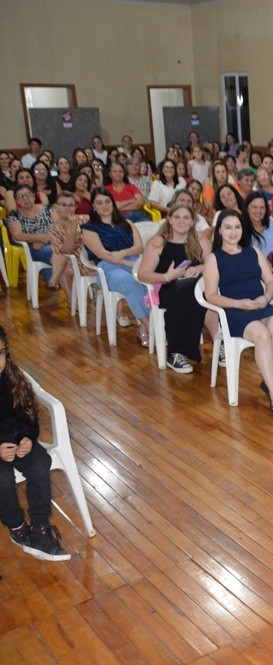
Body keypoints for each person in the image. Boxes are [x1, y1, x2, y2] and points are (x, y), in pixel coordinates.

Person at [203, 210, 273, 418]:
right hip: (234, 311)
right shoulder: (214, 259)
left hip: (260, 305)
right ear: (220, 231)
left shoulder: (254, 252)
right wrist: (238, 303)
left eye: (237, 227)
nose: (233, 232)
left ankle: (268, 381)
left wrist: (266, 298)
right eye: (228, 227)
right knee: (262, 334)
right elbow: (211, 295)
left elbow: (271, 281)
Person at [0, 326, 71, 562]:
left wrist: (28, 439)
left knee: (41, 463)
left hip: (17, 441)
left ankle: (40, 527)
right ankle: (18, 527)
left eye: (0, 353)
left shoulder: (12, 379)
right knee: (2, 478)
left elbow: (29, 414)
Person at [137, 203, 215, 373]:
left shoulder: (200, 240)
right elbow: (142, 274)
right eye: (177, 217)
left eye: (186, 217)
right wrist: (167, 277)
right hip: (166, 288)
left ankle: (217, 343)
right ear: (169, 220)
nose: (181, 221)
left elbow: (211, 266)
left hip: (194, 288)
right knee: (189, 294)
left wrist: (199, 268)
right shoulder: (158, 242)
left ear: (192, 221)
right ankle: (175, 351)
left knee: (206, 294)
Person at [81, 188, 151, 345]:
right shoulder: (89, 228)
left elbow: (139, 247)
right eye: (99, 203)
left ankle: (142, 329)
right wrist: (127, 262)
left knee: (152, 283)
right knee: (132, 283)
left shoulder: (127, 223)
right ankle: (150, 326)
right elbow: (104, 255)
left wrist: (124, 253)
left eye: (107, 201)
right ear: (93, 206)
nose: (104, 206)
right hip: (108, 268)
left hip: (132, 261)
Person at [5, 184, 55, 285]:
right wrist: (39, 238)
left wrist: (47, 239)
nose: (25, 198)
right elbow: (17, 235)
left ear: (33, 196)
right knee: (51, 251)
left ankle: (53, 281)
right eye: (20, 196)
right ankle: (55, 280)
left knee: (56, 249)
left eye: (28, 194)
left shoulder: (47, 209)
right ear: (17, 201)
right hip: (32, 249)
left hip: (53, 242)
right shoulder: (15, 215)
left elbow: (59, 225)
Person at [243, 191, 273, 261]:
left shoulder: (271, 223)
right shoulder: (241, 229)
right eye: (254, 207)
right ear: (247, 208)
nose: (258, 211)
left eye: (262, 207)